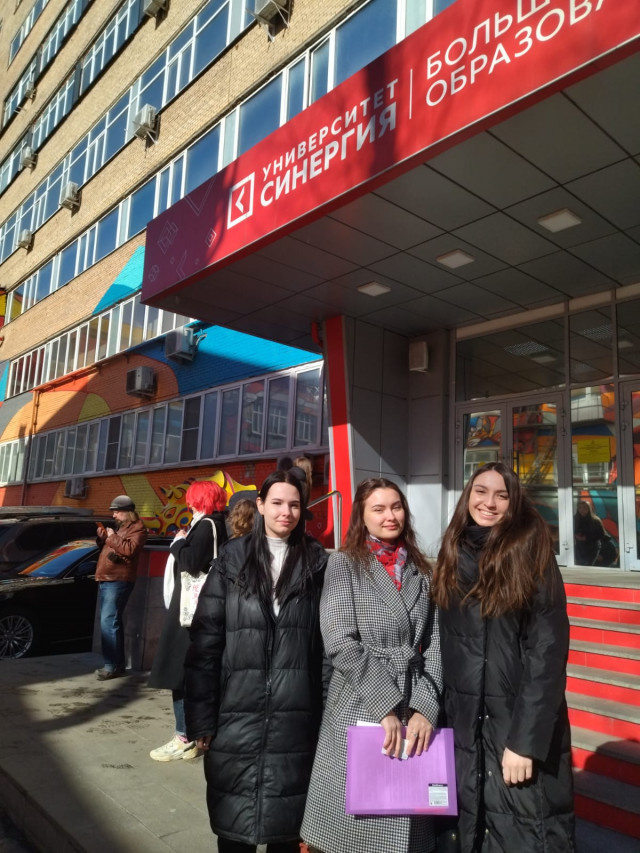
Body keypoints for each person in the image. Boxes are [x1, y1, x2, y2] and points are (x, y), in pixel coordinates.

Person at [432, 462, 575, 853]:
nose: (489, 503)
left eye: (502, 495)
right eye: (481, 491)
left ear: (515, 503)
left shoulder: (531, 551)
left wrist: (526, 742)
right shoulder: (453, 550)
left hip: (515, 728)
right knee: (469, 831)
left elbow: (547, 652)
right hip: (465, 727)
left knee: (522, 833)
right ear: (468, 495)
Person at [184, 469, 328, 853]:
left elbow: (326, 652)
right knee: (234, 835)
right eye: (277, 503)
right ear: (260, 505)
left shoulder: (317, 562)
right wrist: (201, 718)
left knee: (287, 835)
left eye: (294, 504)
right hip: (235, 720)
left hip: (296, 724)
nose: (286, 512)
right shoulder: (232, 558)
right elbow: (205, 643)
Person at [301, 477, 442, 853]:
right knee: (357, 832)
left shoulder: (423, 571)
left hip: (414, 703)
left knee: (407, 814)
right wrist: (385, 706)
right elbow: (339, 641)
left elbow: (436, 646)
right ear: (361, 517)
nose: (389, 516)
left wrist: (425, 708)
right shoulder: (344, 564)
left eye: (396, 507)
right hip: (360, 701)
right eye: (378, 509)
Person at [148, 480, 228, 761]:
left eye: (191, 499)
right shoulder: (217, 524)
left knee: (180, 674)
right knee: (193, 676)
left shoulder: (206, 525)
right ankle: (193, 736)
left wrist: (179, 542)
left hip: (189, 615)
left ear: (199, 499)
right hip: (200, 611)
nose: (188, 504)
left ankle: (183, 736)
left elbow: (191, 562)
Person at [95, 495, 147, 680]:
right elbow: (114, 546)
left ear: (127, 512)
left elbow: (130, 549)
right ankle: (117, 664)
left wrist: (111, 537)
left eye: (117, 511)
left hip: (119, 579)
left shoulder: (138, 528)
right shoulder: (122, 527)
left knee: (108, 621)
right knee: (112, 621)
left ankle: (111, 666)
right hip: (108, 577)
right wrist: (103, 538)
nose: (114, 515)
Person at [574, 500, 606, 566]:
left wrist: (586, 538)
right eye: (580, 508)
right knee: (578, 565)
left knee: (587, 565)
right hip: (578, 547)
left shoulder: (595, 520)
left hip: (592, 548)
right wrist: (575, 535)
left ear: (589, 509)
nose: (582, 510)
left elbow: (601, 534)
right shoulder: (574, 519)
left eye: (584, 508)